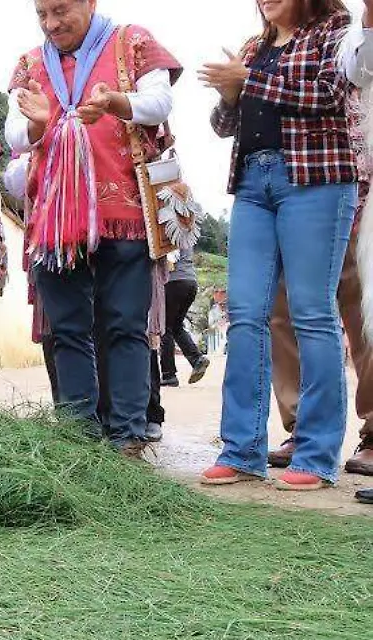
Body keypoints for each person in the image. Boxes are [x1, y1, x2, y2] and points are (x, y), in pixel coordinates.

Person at [7, 0, 181, 455]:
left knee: (125, 325)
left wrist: (116, 102)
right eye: (42, 14)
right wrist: (39, 123)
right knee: (66, 329)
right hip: (56, 216)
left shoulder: (132, 42)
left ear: (89, 3)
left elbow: (160, 101)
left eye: (60, 10)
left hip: (123, 211)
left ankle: (127, 434)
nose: (51, 23)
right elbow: (13, 134)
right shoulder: (30, 63)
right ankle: (78, 439)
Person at [200, 0, 356, 490]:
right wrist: (229, 95)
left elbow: (329, 94)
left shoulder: (336, 30)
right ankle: (241, 449)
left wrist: (247, 80)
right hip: (253, 182)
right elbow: (224, 126)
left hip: (315, 180)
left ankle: (316, 453)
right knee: (246, 314)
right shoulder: (255, 47)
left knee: (312, 313)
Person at [272, 8, 373, 485]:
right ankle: (300, 426)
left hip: (356, 188)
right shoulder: (277, 40)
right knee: (287, 309)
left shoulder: (342, 30)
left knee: (361, 312)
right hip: (303, 188)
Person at [160, 242, 210, 387]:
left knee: (165, 328)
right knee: (176, 326)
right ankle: (196, 359)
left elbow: (171, 258)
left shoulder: (170, 230)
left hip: (174, 281)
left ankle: (168, 374)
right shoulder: (185, 230)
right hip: (190, 281)